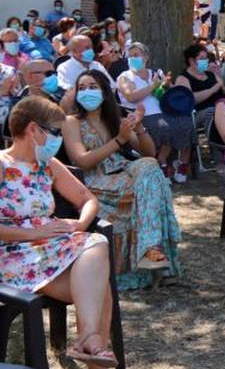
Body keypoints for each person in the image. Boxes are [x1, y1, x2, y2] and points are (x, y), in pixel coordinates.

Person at [0, 96, 134, 369]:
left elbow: (88, 199)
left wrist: (80, 224)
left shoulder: (47, 164)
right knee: (100, 286)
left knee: (96, 245)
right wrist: (32, 232)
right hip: (14, 256)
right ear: (34, 129)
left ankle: (88, 340)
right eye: (56, 132)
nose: (60, 139)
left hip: (54, 250)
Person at [63, 72, 181, 289]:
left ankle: (151, 250)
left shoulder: (115, 120)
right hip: (96, 179)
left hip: (125, 171)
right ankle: (154, 254)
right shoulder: (71, 122)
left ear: (105, 92)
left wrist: (139, 127)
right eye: (82, 87)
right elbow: (82, 161)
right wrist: (119, 140)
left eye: (93, 86)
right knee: (157, 185)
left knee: (150, 166)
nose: (87, 91)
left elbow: (148, 152)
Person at [116, 43, 194, 183]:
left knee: (186, 123)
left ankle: (182, 163)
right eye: (130, 56)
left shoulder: (156, 73)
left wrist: (166, 85)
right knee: (163, 126)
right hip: (143, 114)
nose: (132, 58)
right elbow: (131, 96)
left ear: (145, 57)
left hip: (165, 110)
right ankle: (162, 163)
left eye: (136, 55)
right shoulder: (125, 77)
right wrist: (152, 85)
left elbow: (166, 92)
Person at [176, 43, 223, 146]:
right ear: (192, 61)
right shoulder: (183, 78)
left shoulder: (211, 74)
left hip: (221, 108)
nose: (205, 61)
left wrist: (220, 74)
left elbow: (224, 89)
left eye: (206, 58)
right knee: (212, 112)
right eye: (202, 58)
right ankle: (218, 149)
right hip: (198, 113)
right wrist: (212, 89)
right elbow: (190, 100)